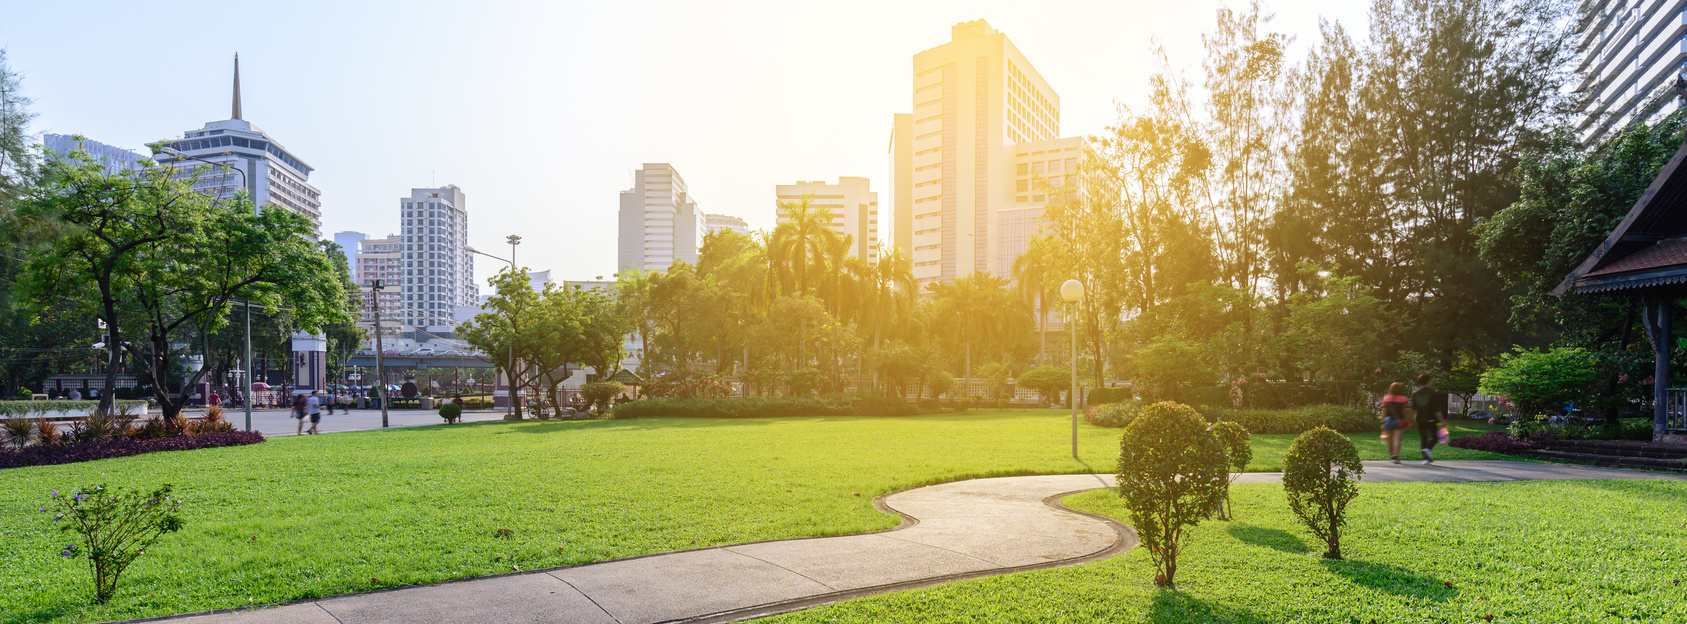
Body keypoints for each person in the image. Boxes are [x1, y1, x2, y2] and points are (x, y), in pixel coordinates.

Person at [1412, 373, 1447, 464]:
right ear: (1428, 381)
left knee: (1423, 438)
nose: (1432, 382)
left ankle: (1426, 458)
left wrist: (1411, 421)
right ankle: (1428, 449)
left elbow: (1413, 409)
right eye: (1431, 380)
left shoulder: (1415, 393)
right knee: (1435, 437)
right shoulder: (1432, 393)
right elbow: (1436, 410)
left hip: (1420, 419)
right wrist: (1442, 421)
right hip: (1430, 419)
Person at [1380, 382, 1411, 464]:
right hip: (1399, 421)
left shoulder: (1386, 398)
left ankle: (1391, 456)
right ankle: (1395, 456)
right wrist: (1410, 421)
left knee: (1390, 440)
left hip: (1388, 421)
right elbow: (1405, 412)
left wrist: (1382, 422)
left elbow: (1384, 412)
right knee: (1397, 439)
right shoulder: (1403, 399)